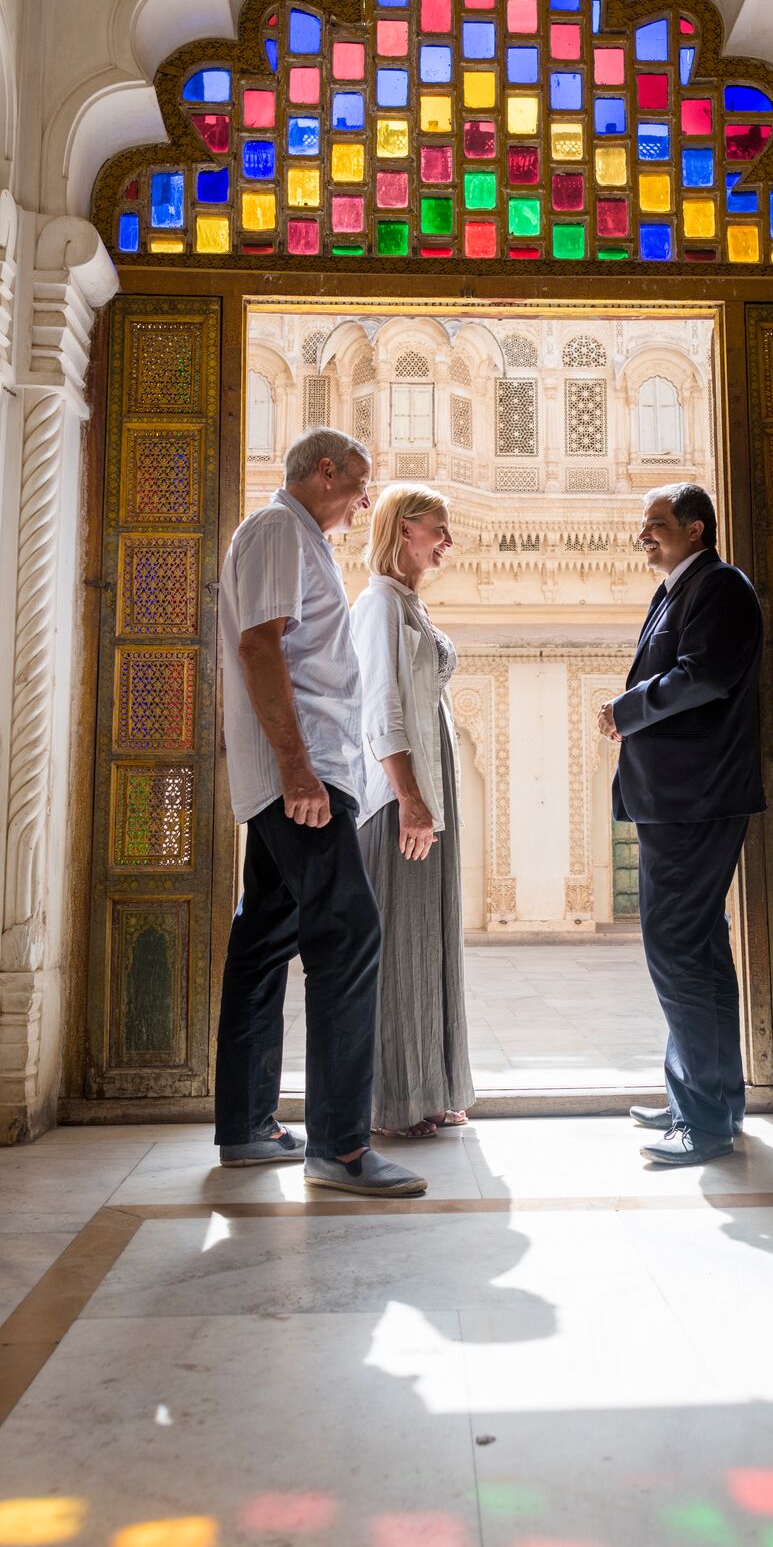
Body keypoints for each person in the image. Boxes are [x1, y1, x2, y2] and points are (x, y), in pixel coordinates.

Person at [213, 426, 427, 1198]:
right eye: (360, 486)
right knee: (349, 933)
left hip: (298, 773)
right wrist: (299, 771)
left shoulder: (295, 537)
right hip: (299, 778)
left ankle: (246, 1125)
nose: (364, 503)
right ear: (327, 470)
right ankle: (338, 1148)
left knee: (265, 938)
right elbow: (262, 648)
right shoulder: (278, 528)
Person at [598, 483, 765, 1167]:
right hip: (676, 799)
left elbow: (703, 677)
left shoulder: (720, 587)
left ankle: (704, 1122)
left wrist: (625, 709)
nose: (646, 535)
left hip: (695, 800)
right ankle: (708, 1101)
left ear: (696, 529)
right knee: (697, 950)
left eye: (657, 525)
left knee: (675, 948)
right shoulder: (678, 590)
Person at [350, 484, 476, 1139]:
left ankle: (430, 1088)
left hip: (425, 797)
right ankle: (392, 1102)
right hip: (400, 803)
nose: (448, 541)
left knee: (428, 943)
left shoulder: (407, 606)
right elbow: (381, 712)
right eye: (439, 529)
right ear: (404, 530)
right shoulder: (377, 607)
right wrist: (409, 798)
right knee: (399, 951)